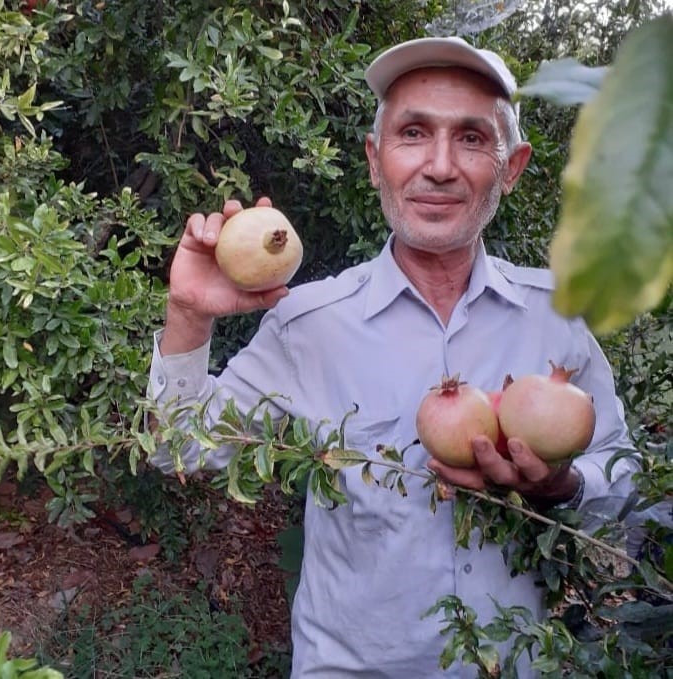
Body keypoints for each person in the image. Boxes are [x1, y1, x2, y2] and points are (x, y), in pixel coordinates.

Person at [147, 37, 638, 678]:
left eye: (470, 138)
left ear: (512, 168)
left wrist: (563, 487)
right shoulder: (310, 325)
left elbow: (624, 488)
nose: (439, 166)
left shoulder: (559, 317)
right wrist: (188, 314)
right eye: (412, 133)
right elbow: (175, 450)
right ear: (375, 161)